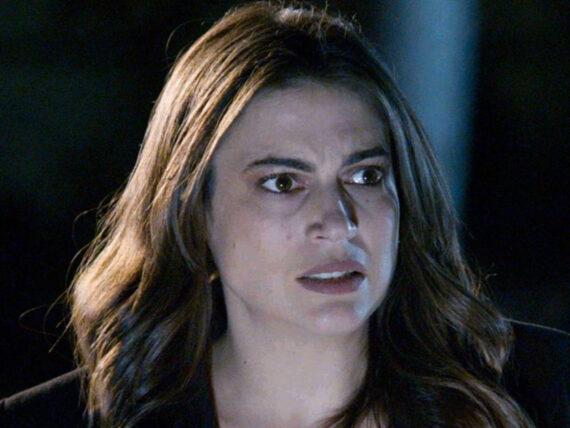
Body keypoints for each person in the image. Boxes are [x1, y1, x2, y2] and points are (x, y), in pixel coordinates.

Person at [1, 1, 568, 427]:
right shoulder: (52, 422)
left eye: (366, 176)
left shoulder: (546, 392)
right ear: (193, 214)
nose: (339, 221)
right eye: (282, 183)